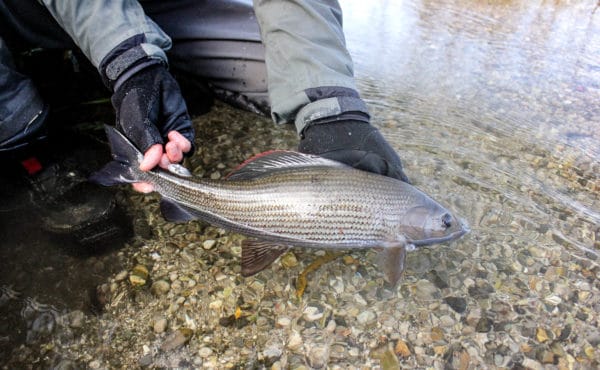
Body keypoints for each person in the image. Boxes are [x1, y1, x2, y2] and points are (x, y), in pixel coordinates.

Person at [0, 0, 408, 243]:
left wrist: (332, 107)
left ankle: (162, 70)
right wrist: (129, 61)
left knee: (292, 81)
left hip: (162, 5)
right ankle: (31, 143)